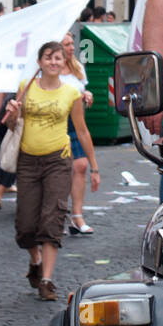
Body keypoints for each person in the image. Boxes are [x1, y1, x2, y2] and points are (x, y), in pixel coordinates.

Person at [2, 41, 101, 302]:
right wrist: (11, 113)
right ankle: (34, 260)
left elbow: (81, 130)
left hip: (58, 160)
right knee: (25, 226)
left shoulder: (72, 92)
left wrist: (94, 166)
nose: (53, 62)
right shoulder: (26, 87)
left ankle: (46, 279)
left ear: (64, 62)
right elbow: (12, 125)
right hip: (27, 161)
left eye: (58, 58)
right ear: (40, 62)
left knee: (53, 218)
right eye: (48, 58)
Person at [59, 31, 96, 234]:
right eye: (66, 44)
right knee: (61, 170)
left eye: (72, 43)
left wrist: (86, 94)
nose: (72, 47)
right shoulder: (49, 68)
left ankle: (77, 215)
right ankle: (59, 212)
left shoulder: (77, 67)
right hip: (56, 123)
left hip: (74, 123)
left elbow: (81, 91)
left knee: (80, 166)